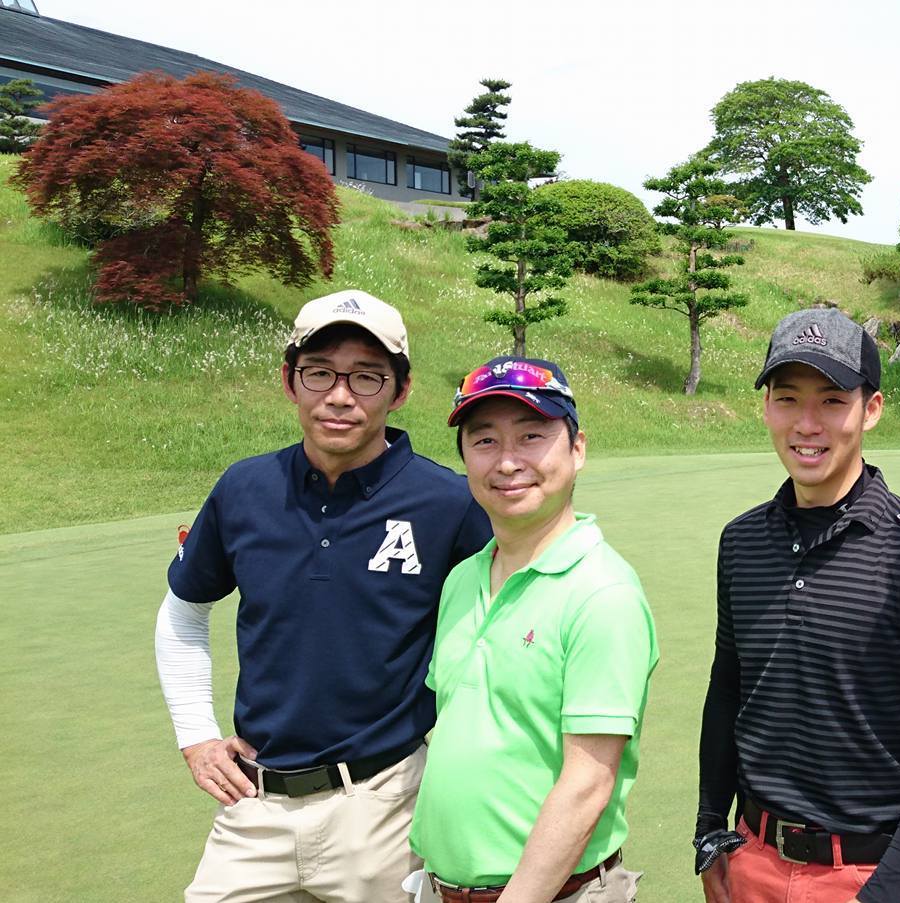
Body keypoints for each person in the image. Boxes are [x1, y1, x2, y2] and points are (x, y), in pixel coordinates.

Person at [155, 289, 492, 903]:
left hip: (386, 806)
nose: (340, 396)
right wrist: (197, 736)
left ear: (401, 389)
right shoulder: (245, 488)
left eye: (366, 377)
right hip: (254, 806)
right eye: (319, 373)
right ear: (290, 381)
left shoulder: (449, 502)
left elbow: (503, 631)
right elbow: (184, 608)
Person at [695, 308, 900, 903]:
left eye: (831, 401)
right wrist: (710, 827)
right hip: (754, 860)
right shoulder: (741, 541)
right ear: (766, 407)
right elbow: (728, 687)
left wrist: (886, 891)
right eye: (787, 399)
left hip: (873, 875)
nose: (807, 424)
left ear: (871, 409)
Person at [410, 356, 658, 903]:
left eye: (531, 436)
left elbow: (587, 785)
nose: (507, 461)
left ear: (577, 449)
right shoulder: (461, 580)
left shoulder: (603, 592)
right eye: (485, 440)